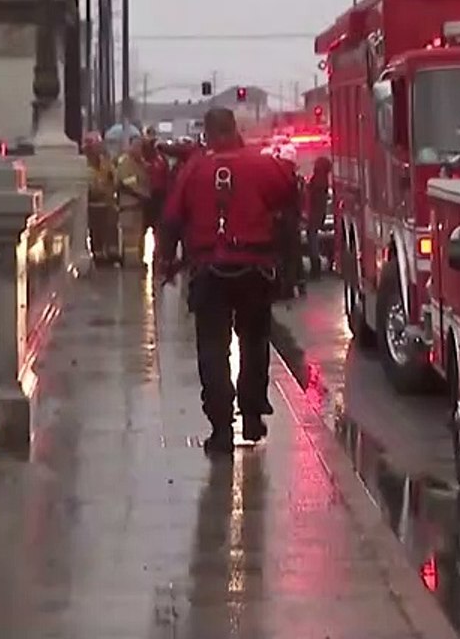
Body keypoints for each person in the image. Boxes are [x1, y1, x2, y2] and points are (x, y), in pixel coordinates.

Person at [158, 108, 299, 453]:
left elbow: (172, 218)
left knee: (212, 349)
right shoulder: (262, 165)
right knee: (254, 342)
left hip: (209, 270)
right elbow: (290, 196)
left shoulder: (193, 170)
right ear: (234, 129)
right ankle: (251, 414)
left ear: (206, 134)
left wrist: (166, 259)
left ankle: (221, 428)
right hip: (254, 267)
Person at [113, 136, 150, 266]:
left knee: (138, 236)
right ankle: (130, 263)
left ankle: (137, 261)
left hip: (138, 206)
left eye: (140, 147)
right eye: (136, 146)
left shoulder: (140, 163)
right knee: (129, 237)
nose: (139, 149)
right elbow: (128, 183)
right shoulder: (125, 162)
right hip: (128, 206)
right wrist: (143, 194)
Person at [84, 132, 121, 264]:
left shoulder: (105, 162)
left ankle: (111, 253)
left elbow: (114, 178)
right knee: (96, 231)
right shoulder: (84, 164)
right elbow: (89, 184)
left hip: (108, 202)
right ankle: (98, 254)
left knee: (111, 229)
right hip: (93, 203)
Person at [306, 156, 332, 279]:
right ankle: (315, 266)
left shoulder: (318, 181)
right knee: (313, 238)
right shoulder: (323, 180)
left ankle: (315, 267)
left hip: (314, 214)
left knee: (312, 239)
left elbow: (313, 197)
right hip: (317, 214)